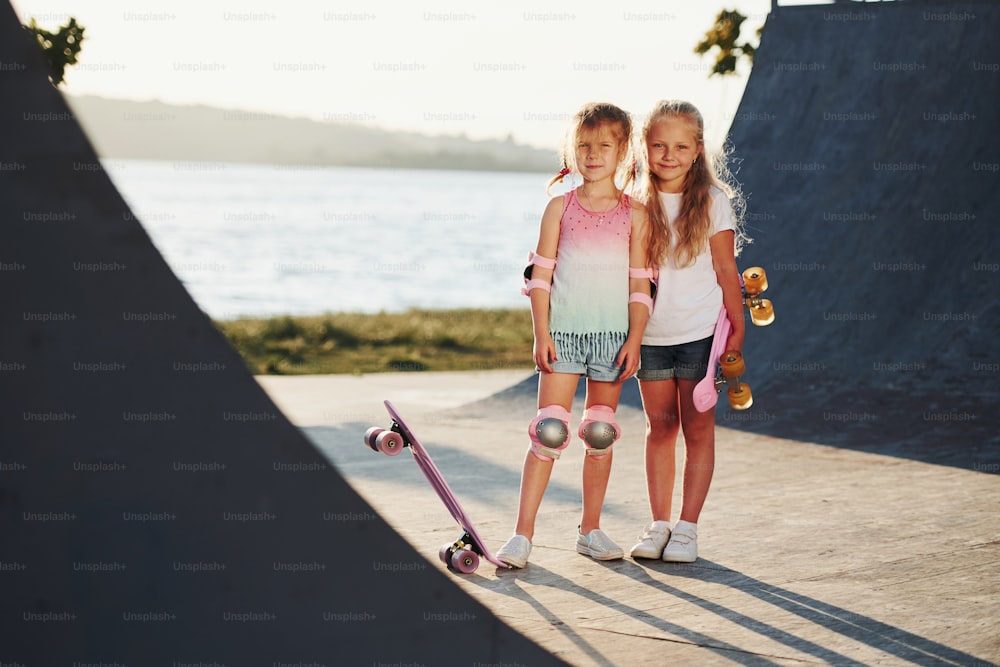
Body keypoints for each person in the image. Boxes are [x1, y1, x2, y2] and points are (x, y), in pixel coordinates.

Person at [496, 102, 652, 568]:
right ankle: (522, 536)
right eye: (583, 145)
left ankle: (590, 530)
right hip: (563, 334)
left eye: (605, 145)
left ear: (624, 153)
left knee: (600, 432)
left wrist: (635, 339)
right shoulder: (558, 208)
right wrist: (540, 332)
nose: (592, 153)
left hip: (613, 338)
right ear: (572, 149)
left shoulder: (636, 215)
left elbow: (640, 283)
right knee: (549, 431)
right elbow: (539, 278)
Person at [628, 100, 749, 563]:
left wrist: (737, 331)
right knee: (659, 429)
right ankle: (659, 524)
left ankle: (688, 528)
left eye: (680, 146)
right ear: (645, 146)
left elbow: (725, 269)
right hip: (652, 336)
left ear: (697, 149)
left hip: (700, 334)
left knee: (698, 431)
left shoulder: (714, 202)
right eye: (658, 145)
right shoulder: (635, 201)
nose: (668, 154)